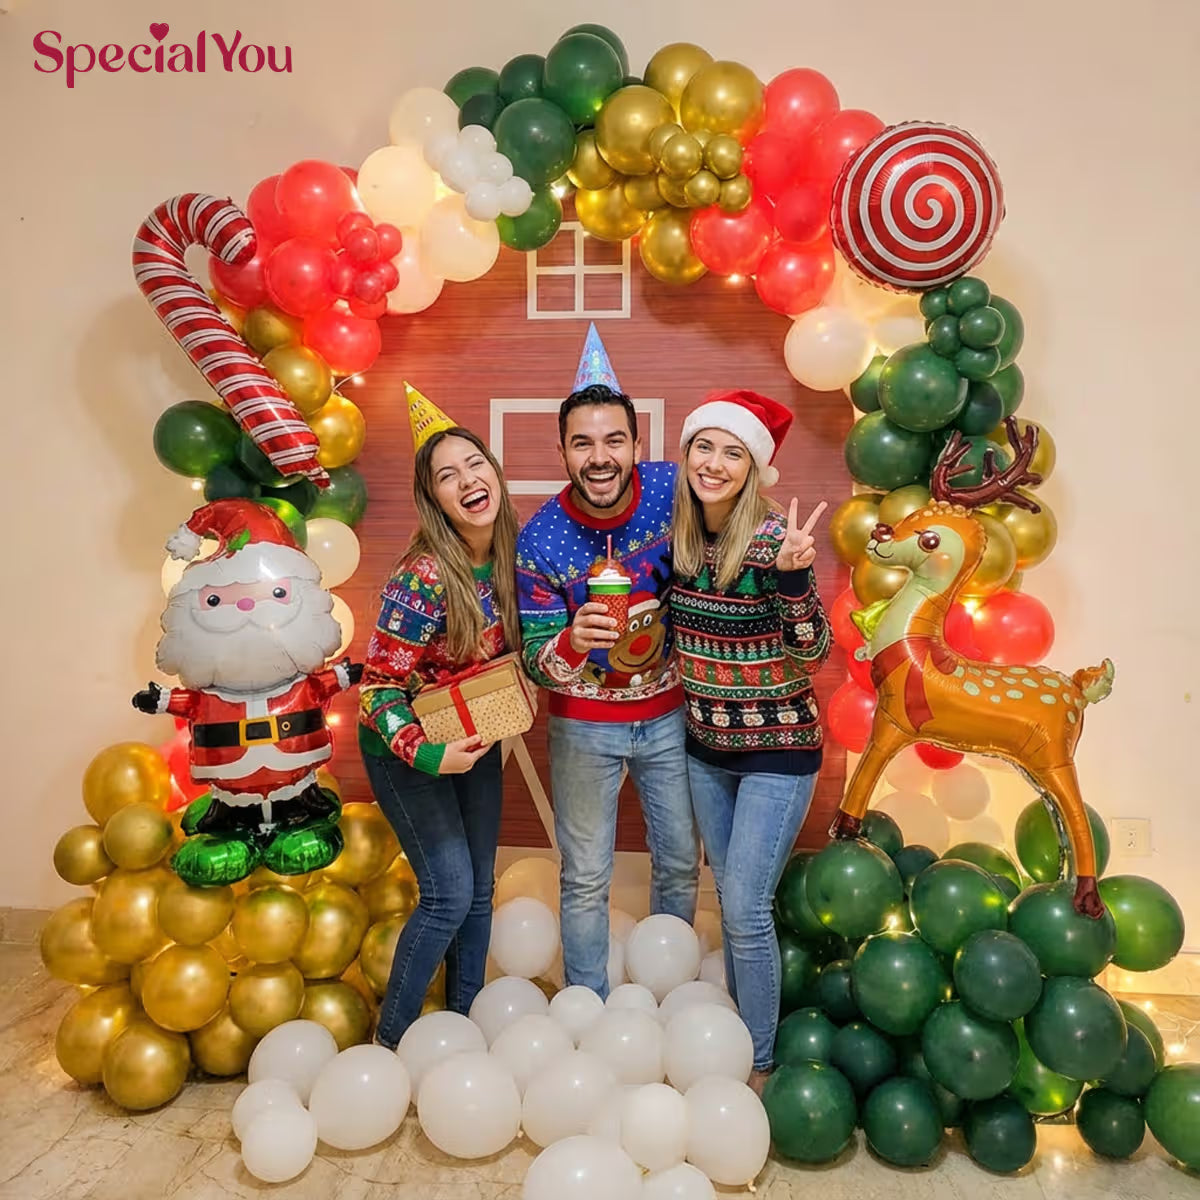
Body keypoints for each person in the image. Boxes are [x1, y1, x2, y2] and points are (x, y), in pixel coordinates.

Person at [516, 324, 699, 996]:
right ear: (563, 450)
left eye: (614, 440)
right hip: (584, 726)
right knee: (586, 872)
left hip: (671, 714)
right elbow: (539, 661)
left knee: (680, 862)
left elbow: (735, 524)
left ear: (636, 445)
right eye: (583, 442)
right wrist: (573, 639)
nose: (600, 457)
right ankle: (587, 1004)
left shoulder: (672, 489)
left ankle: (674, 992)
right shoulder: (541, 538)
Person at [669, 388, 831, 1092]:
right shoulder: (677, 541)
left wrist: (795, 578)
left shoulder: (771, 541)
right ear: (686, 455)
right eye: (705, 445)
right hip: (706, 747)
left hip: (779, 749)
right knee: (730, 898)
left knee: (743, 907)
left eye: (733, 452)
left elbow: (814, 653)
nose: (714, 462)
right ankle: (735, 1038)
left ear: (753, 469)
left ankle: (757, 1065)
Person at [359, 384, 521, 1049]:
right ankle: (390, 1043)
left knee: (481, 893)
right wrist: (428, 754)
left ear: (494, 474)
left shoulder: (515, 556)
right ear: (436, 500)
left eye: (474, 464)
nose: (467, 480)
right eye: (446, 476)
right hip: (407, 751)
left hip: (473, 741)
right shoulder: (423, 577)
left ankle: (462, 1030)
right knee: (449, 895)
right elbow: (374, 691)